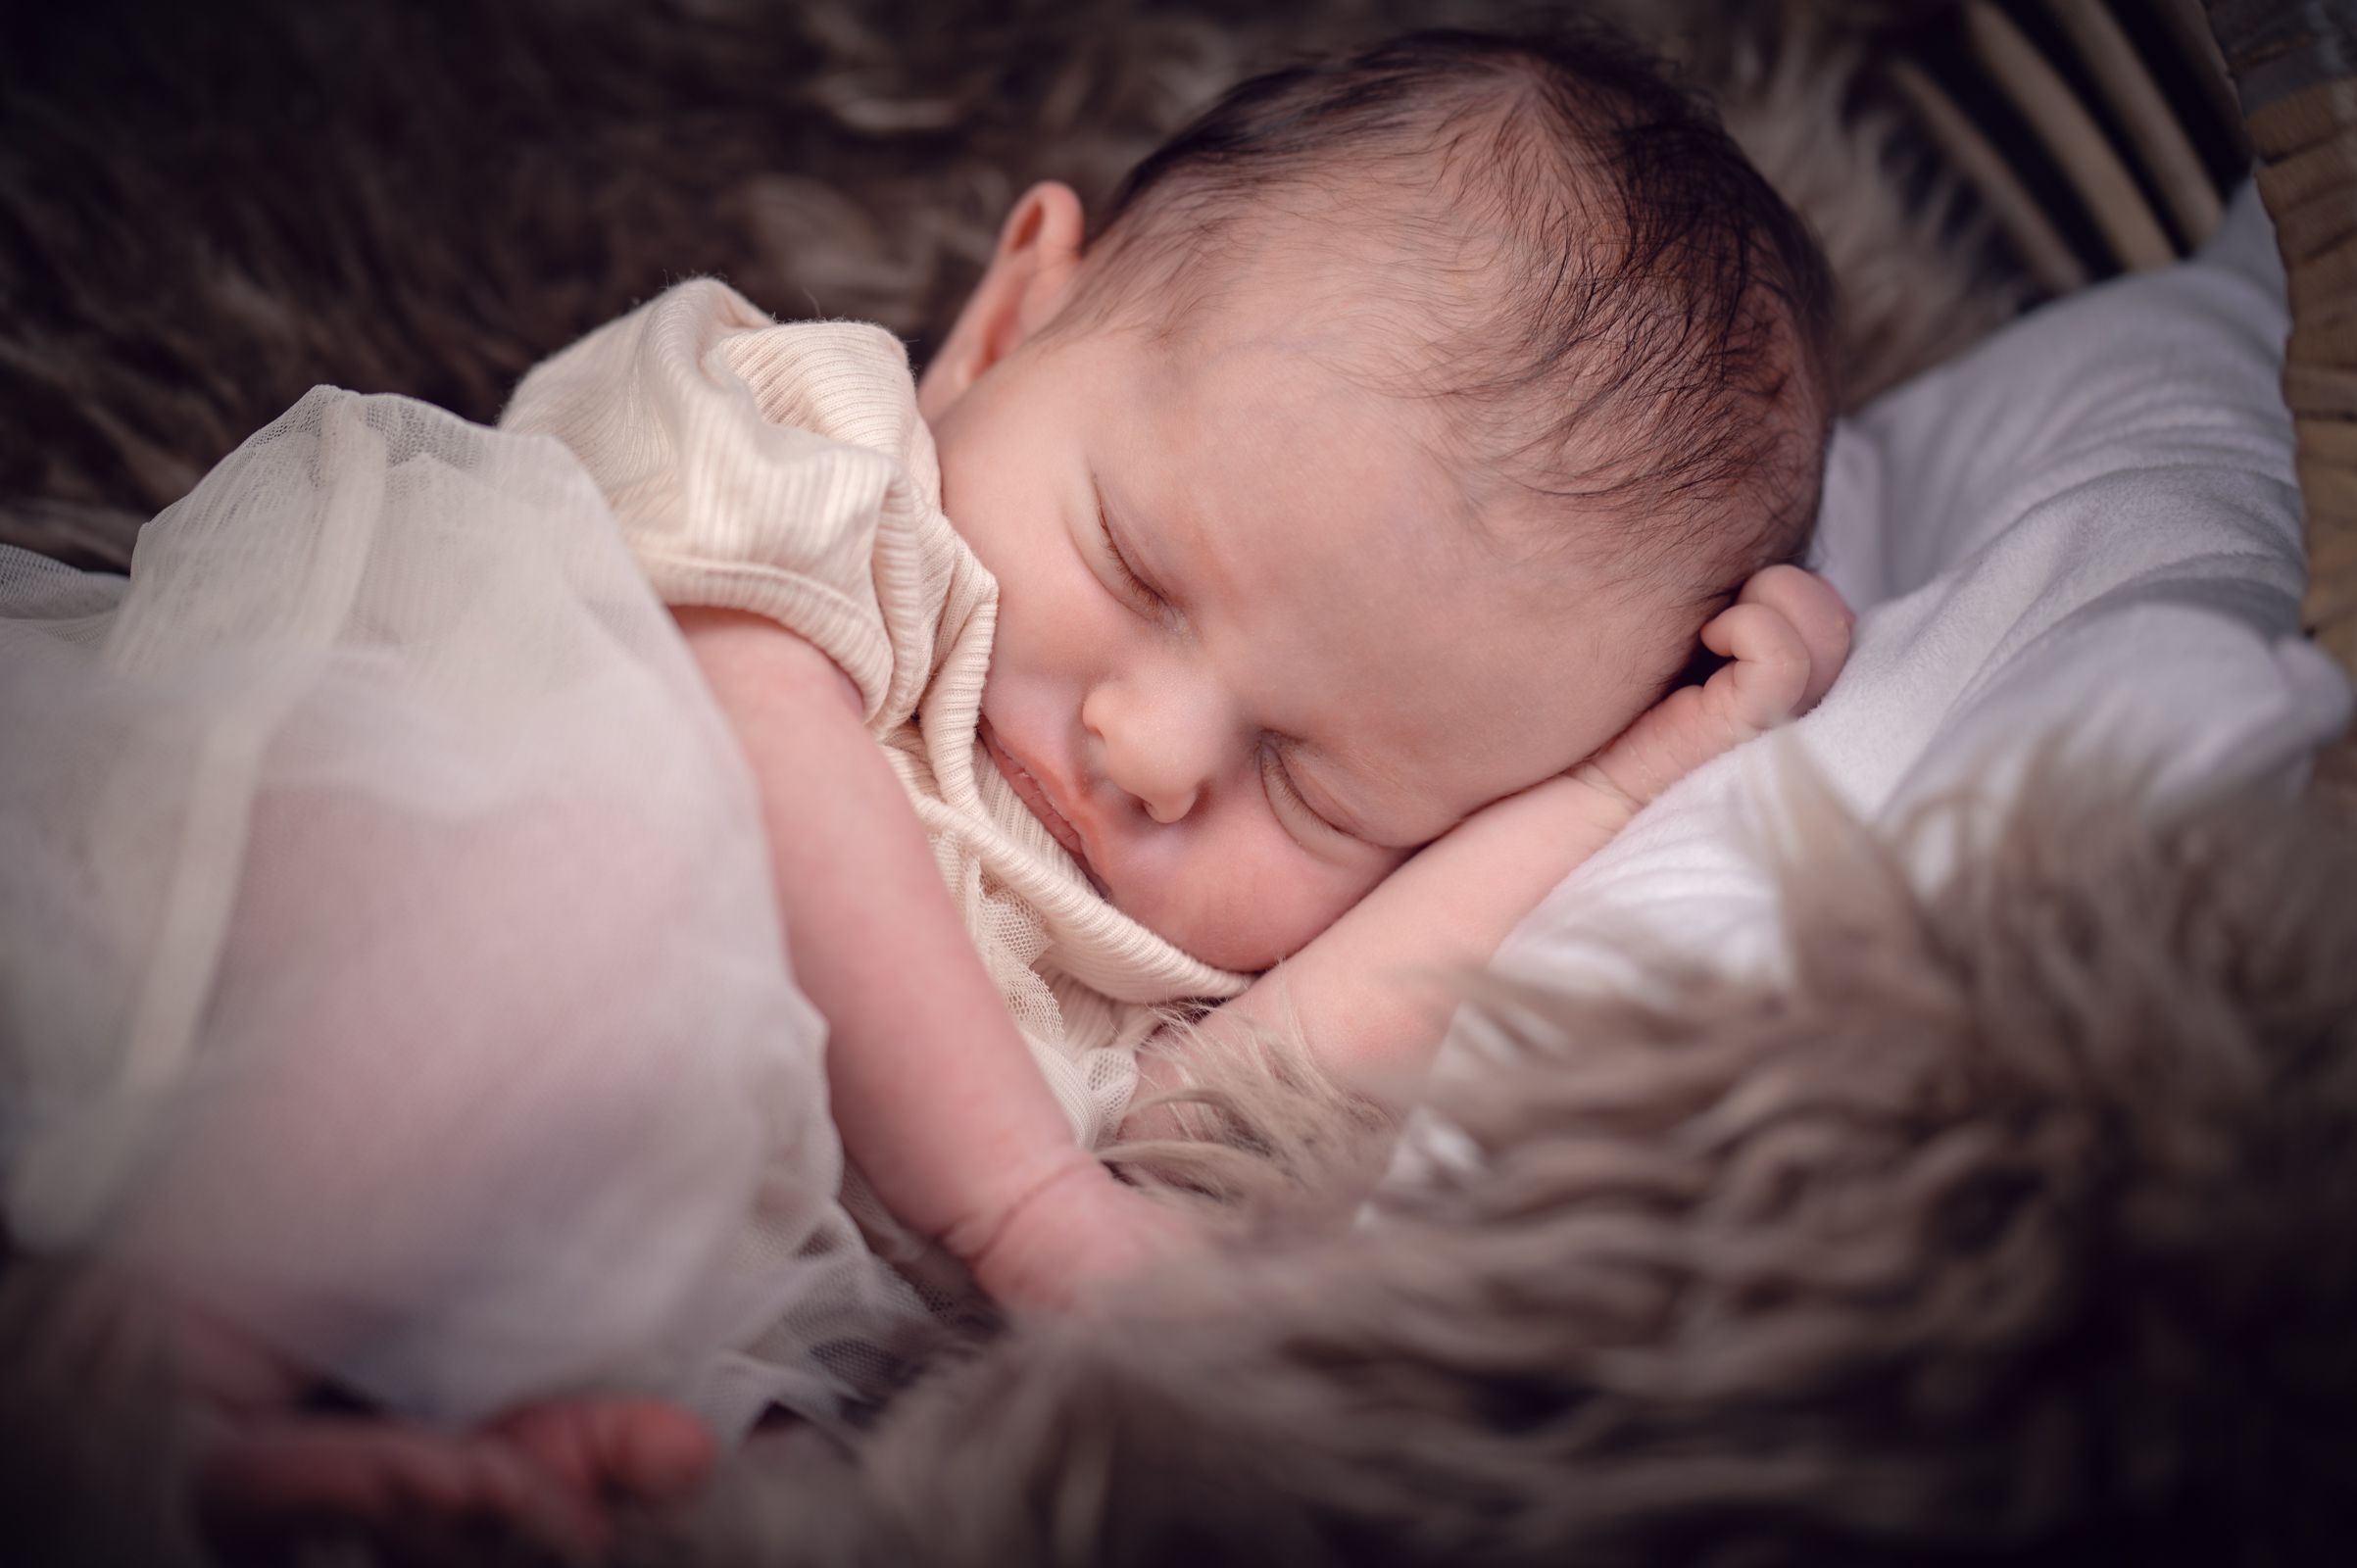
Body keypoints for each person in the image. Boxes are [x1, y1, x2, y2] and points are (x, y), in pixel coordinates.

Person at [0, 23, 1847, 1555]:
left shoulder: (1139, 970)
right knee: (591, 871)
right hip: (287, 897)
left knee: (808, 1447)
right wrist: (1029, 1206)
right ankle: (133, 1380)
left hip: (545, 1237)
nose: (1149, 750)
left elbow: (1280, 1072)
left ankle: (352, 1439)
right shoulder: (822, 475)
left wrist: (1623, 785)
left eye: (1322, 786)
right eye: (1130, 561)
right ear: (1007, 318)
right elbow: (738, 737)